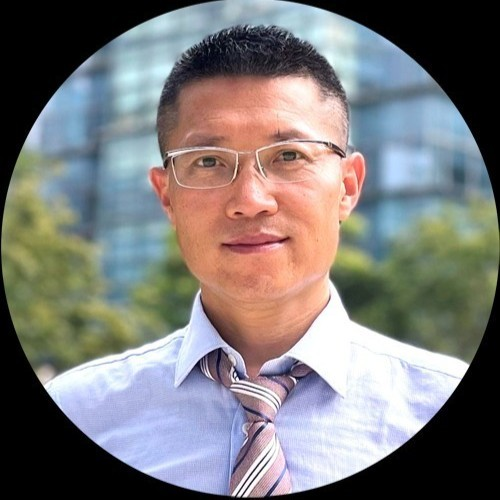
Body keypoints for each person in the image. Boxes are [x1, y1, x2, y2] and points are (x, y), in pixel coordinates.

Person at [44, 25, 468, 496]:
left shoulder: (435, 401)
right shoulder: (82, 413)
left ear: (347, 187)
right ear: (166, 196)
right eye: (209, 161)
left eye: (289, 155)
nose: (250, 200)